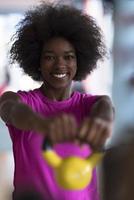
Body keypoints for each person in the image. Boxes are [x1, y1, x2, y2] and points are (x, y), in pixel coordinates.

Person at [0, 2, 114, 200]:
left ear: (79, 61)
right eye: (50, 57)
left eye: (68, 57)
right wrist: (41, 124)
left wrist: (102, 121)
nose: (60, 64)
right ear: (37, 61)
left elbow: (104, 109)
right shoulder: (24, 102)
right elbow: (9, 107)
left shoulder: (93, 105)